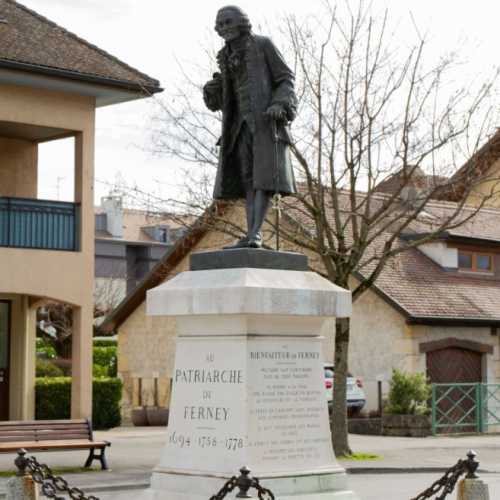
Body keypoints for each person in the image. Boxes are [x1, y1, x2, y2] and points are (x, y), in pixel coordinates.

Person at [203, 5, 297, 248]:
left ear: (242, 22)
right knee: (247, 179)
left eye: (229, 21)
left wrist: (280, 103)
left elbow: (285, 78)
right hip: (238, 126)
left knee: (262, 178)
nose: (224, 28)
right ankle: (251, 234)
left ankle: (255, 233)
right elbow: (227, 94)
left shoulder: (263, 45)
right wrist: (214, 91)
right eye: (221, 24)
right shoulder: (225, 56)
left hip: (264, 123)